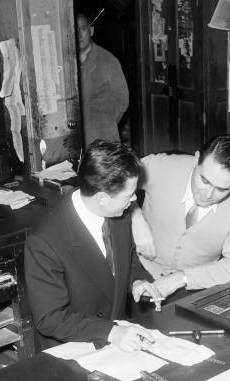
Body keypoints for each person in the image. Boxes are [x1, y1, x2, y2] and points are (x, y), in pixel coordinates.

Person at [24, 140, 160, 351]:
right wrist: (111, 332)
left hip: (116, 336)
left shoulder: (117, 213)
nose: (134, 199)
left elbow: (127, 258)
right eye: (129, 194)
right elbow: (50, 318)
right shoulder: (45, 241)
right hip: (73, 347)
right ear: (103, 198)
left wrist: (136, 281)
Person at [133, 135, 230, 300]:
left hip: (195, 287)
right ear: (196, 159)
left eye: (222, 189)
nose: (208, 194)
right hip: (137, 272)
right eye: (204, 180)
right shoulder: (162, 167)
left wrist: (182, 278)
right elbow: (114, 182)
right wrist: (136, 216)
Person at [76, 12, 129, 146]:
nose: (79, 35)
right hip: (76, 139)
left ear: (91, 30)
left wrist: (106, 123)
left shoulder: (108, 60)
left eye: (83, 29)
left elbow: (122, 101)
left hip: (103, 138)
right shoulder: (67, 63)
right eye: (74, 30)